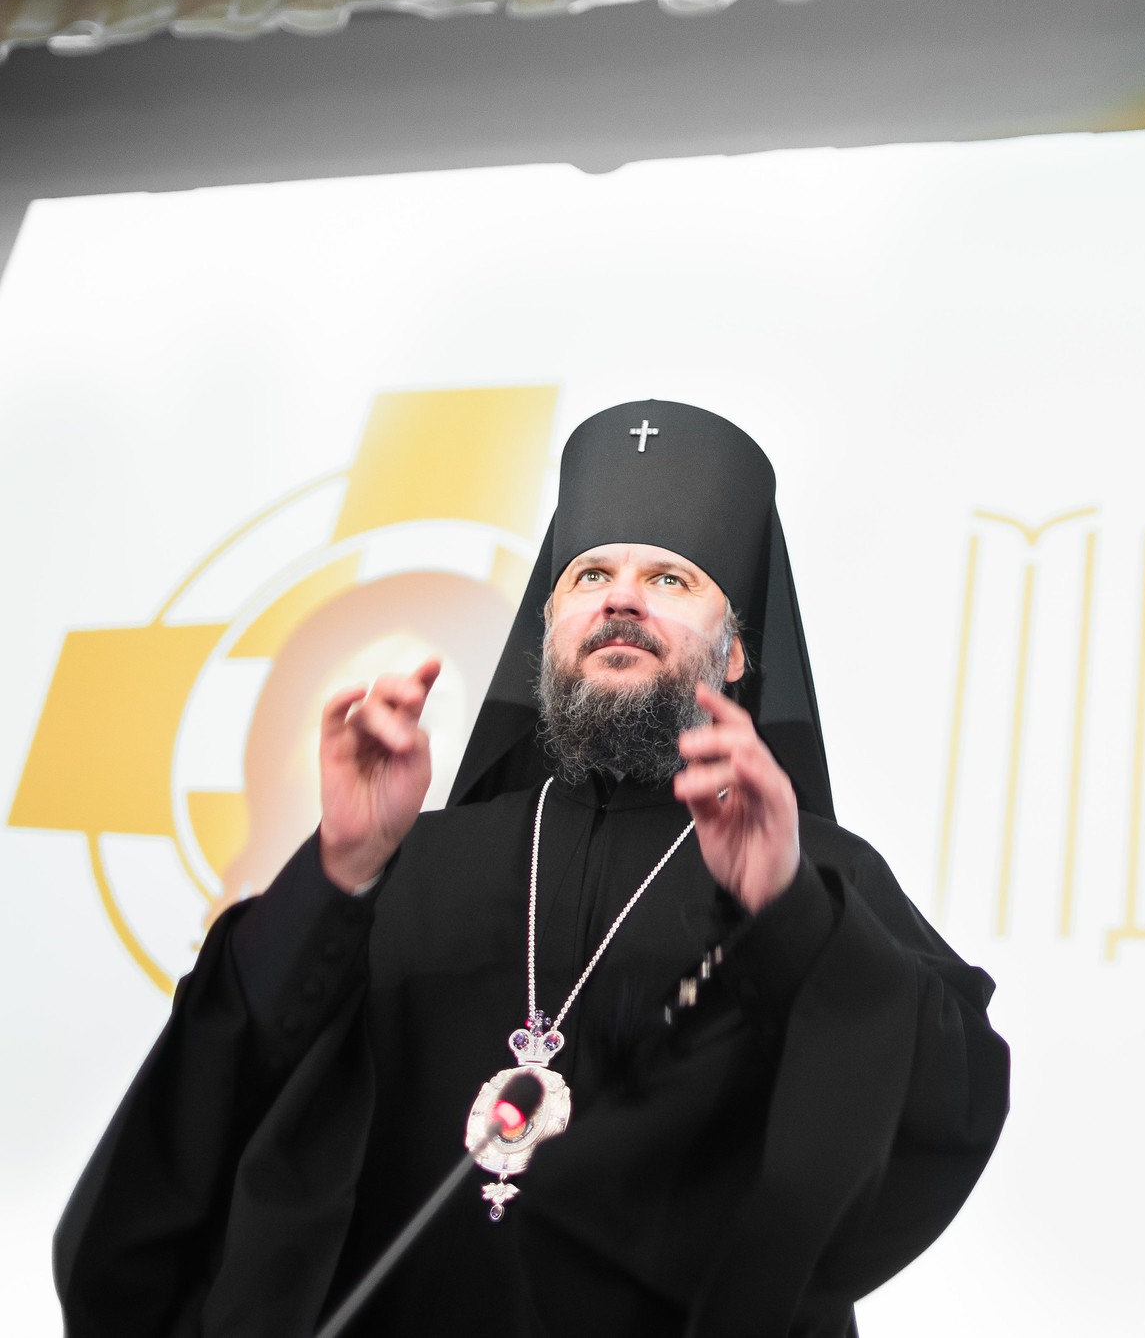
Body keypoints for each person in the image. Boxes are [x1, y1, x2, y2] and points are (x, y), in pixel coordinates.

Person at [55, 401, 1009, 1338]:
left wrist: (788, 914)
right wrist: (336, 875)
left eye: (669, 578)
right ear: (548, 629)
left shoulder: (814, 874)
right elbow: (220, 1100)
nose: (621, 599)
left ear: (737, 653)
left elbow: (940, 1106)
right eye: (591, 574)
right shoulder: (412, 861)